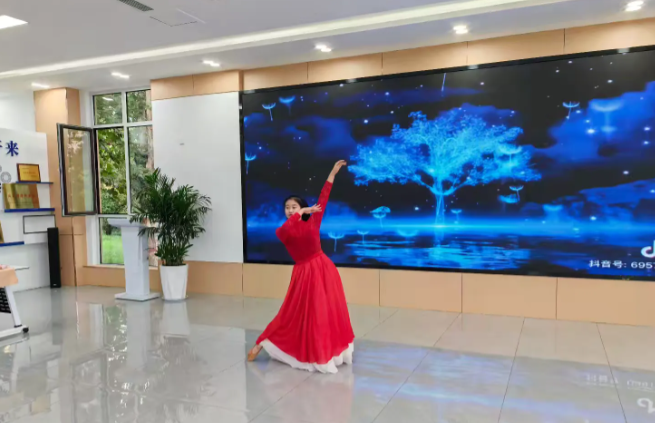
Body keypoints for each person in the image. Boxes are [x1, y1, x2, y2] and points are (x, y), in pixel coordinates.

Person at [248, 160, 355, 373]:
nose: (290, 211)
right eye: (287, 208)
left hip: (324, 269)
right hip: (304, 273)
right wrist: (301, 212)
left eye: (293, 207)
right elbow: (285, 230)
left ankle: (326, 350)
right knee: (291, 312)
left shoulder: (313, 221)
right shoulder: (283, 230)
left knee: (325, 312)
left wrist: (332, 173)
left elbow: (324, 196)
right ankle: (262, 342)